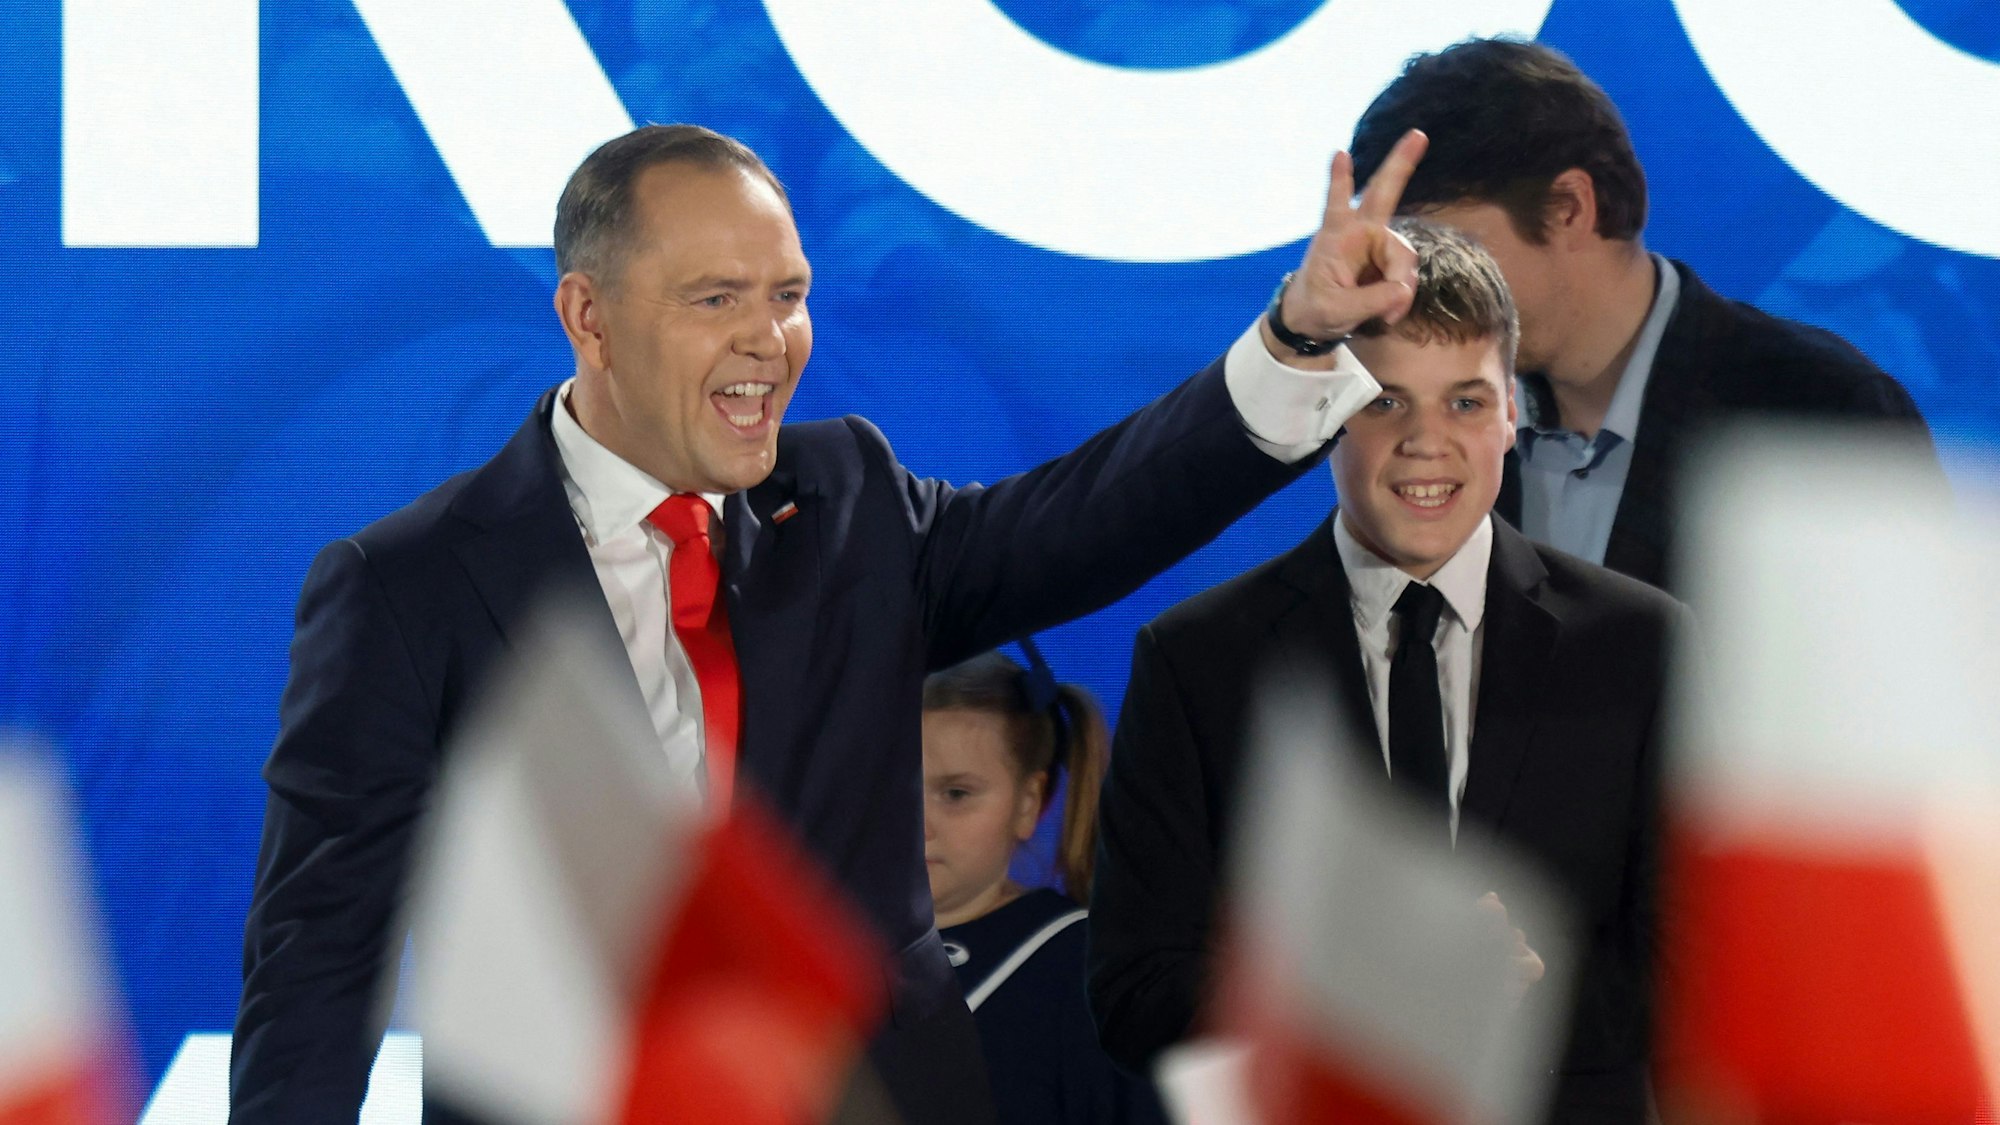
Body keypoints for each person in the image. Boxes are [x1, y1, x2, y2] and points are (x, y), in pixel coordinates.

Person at [231, 122, 1435, 1124]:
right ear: (587, 319)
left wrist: (1296, 338)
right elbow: (319, 956)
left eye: (790, 295)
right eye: (718, 299)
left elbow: (1089, 518)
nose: (772, 340)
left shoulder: (849, 498)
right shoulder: (410, 584)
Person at [1088, 220, 1693, 1123]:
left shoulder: (1641, 645)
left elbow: (1698, 974)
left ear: (1514, 414)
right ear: (1327, 413)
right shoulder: (1197, 661)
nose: (1425, 441)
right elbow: (1135, 993)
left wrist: (1513, 1000)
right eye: (1384, 402)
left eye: (1465, 402)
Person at [1348, 38, 1936, 593]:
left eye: (1449, 247)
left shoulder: (1817, 411)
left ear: (1570, 208)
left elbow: (1895, 682)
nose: (1417, 290)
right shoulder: (1424, 421)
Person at [923, 645, 1171, 1125]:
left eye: (956, 794)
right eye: (893, 785)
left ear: (1027, 802)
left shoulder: (1100, 981)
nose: (918, 822)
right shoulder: (813, 949)